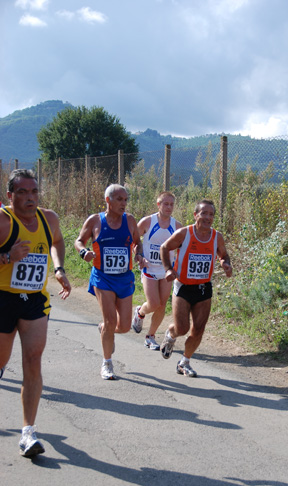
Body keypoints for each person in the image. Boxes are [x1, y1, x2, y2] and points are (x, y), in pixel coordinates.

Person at [0, 169, 71, 457]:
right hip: (3, 298)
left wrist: (59, 268)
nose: (30, 198)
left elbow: (57, 241)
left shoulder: (48, 218)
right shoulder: (3, 222)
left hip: (34, 301)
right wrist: (7, 257)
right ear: (10, 196)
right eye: (22, 192)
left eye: (34, 192)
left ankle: (28, 432)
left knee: (33, 359)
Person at [75, 184, 145, 380]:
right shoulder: (95, 221)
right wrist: (83, 252)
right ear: (108, 200)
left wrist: (138, 254)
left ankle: (104, 329)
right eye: (119, 199)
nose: (124, 203)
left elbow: (138, 242)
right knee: (110, 320)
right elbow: (79, 240)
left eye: (125, 200)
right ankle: (107, 363)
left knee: (123, 327)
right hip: (102, 277)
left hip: (124, 278)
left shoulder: (130, 220)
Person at [159, 199, 232, 377]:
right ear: (195, 215)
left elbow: (224, 254)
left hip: (203, 288)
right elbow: (164, 247)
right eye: (204, 213)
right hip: (183, 287)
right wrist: (169, 269)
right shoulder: (184, 233)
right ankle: (171, 333)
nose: (208, 217)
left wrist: (225, 263)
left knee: (198, 329)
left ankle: (184, 362)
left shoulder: (217, 236)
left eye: (211, 214)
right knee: (182, 328)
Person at [132, 191, 182, 350]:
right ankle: (140, 312)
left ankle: (150, 336)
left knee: (161, 306)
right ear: (158, 205)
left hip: (166, 271)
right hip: (149, 268)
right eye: (165, 204)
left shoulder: (177, 226)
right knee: (153, 303)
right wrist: (139, 255)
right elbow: (134, 240)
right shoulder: (147, 222)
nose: (169, 207)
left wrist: (179, 267)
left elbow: (183, 248)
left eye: (171, 204)